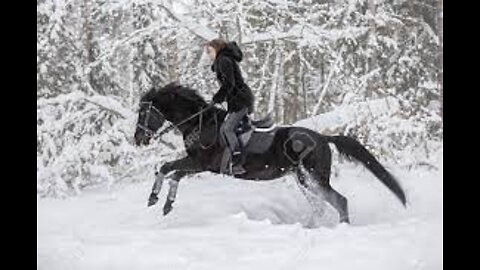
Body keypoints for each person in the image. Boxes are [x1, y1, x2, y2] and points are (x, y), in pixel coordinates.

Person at [206, 38, 254, 175]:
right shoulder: (223, 60)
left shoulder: (223, 60)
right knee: (224, 130)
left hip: (241, 101)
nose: (209, 54)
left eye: (210, 51)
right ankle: (229, 161)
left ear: (217, 49)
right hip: (237, 100)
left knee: (227, 129)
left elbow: (229, 84)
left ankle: (238, 160)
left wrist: (216, 99)